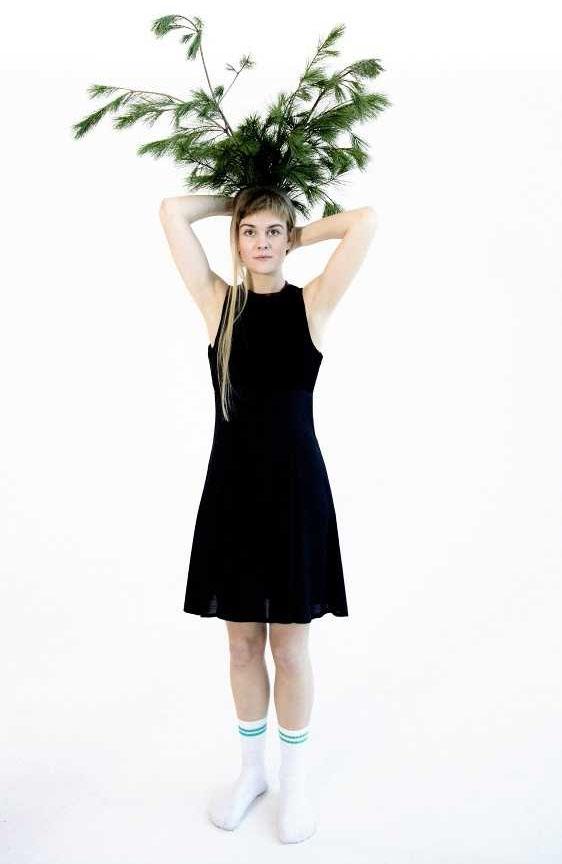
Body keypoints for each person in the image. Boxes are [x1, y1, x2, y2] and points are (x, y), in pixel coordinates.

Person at [159, 186, 377, 842]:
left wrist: (293, 229)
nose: (261, 242)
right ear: (236, 237)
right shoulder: (217, 304)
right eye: (249, 232)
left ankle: (295, 781)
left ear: (287, 238)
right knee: (242, 643)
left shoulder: (313, 304)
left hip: (295, 494)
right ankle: (252, 772)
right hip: (232, 493)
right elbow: (172, 212)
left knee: (290, 645)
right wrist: (241, 198)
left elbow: (365, 222)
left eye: (272, 232)